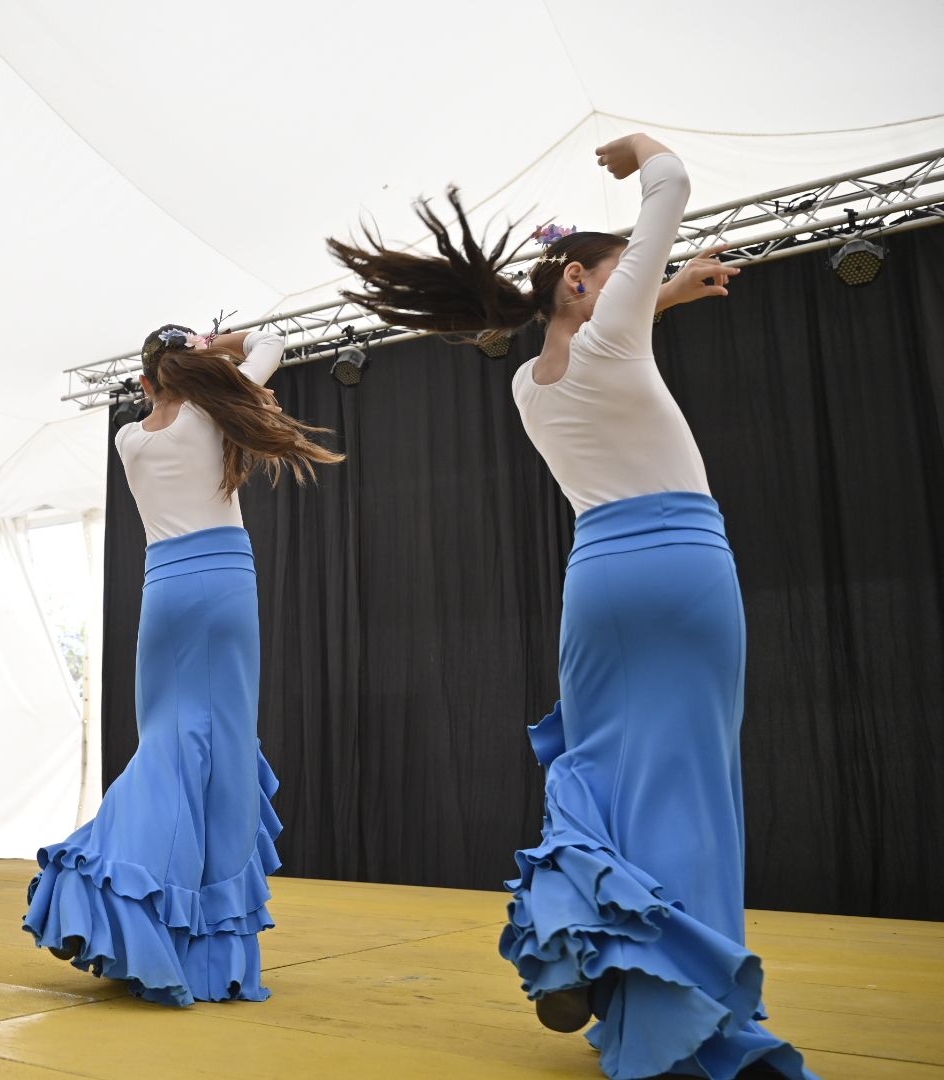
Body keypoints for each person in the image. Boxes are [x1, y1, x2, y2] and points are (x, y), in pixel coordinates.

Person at [328, 135, 812, 1078]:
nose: (645, 270)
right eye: (624, 269)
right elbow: (669, 185)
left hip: (596, 580)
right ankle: (690, 1007)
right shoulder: (610, 327)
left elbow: (609, 339)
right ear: (584, 283)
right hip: (681, 565)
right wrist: (636, 151)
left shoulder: (526, 383)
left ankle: (573, 922)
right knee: (692, 782)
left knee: (597, 765)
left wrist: (658, 296)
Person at [23, 325, 342, 1005]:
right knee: (222, 756)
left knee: (167, 741)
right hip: (224, 585)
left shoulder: (129, 439)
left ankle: (139, 907)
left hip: (163, 593)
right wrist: (223, 346)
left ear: (143, 385)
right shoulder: (215, 409)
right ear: (197, 368)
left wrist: (200, 358)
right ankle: (210, 954)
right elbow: (274, 339)